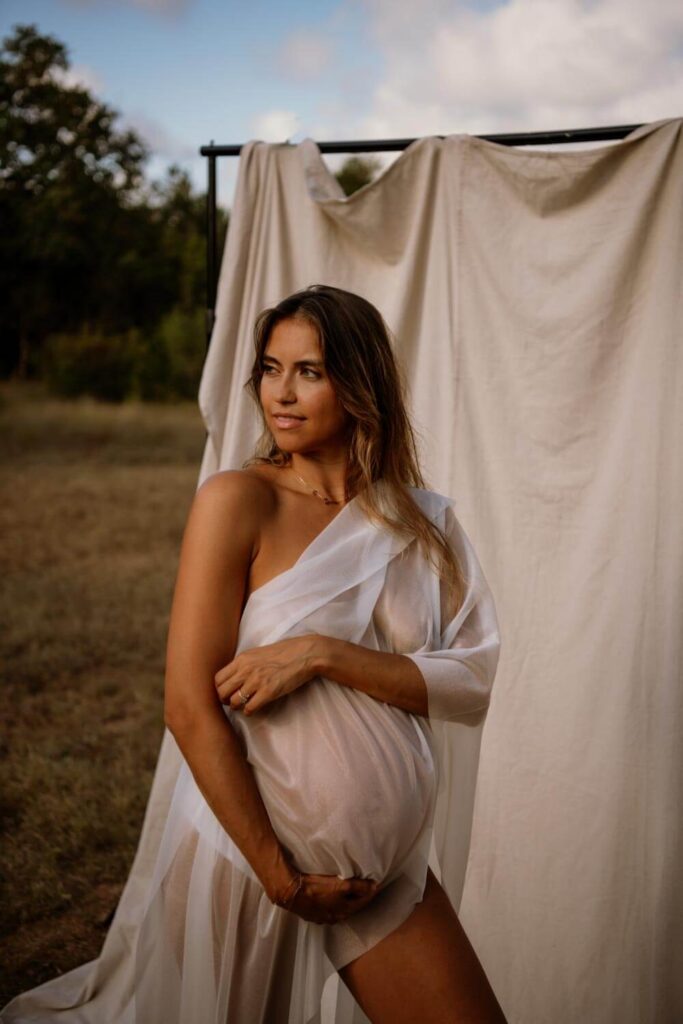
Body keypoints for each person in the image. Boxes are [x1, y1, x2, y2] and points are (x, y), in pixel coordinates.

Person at [0, 283, 506, 1024]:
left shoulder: (416, 521)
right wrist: (280, 876)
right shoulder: (238, 500)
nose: (281, 393)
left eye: (309, 370)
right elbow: (187, 706)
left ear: (360, 383)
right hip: (244, 863)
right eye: (270, 368)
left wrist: (320, 653)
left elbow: (470, 682)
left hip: (380, 877)